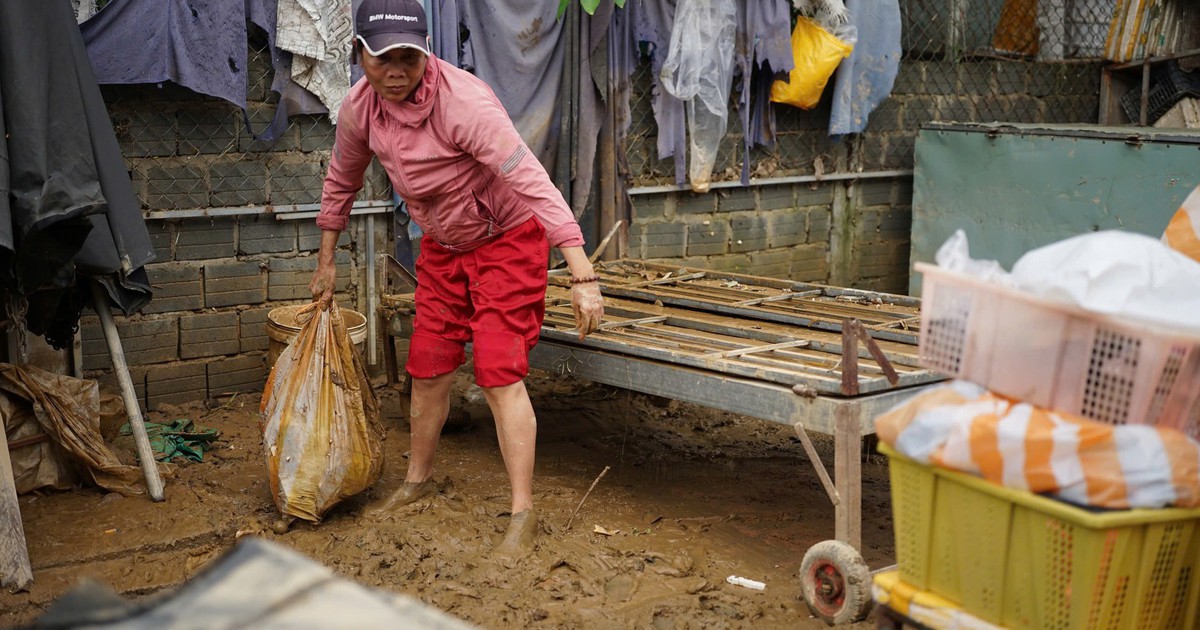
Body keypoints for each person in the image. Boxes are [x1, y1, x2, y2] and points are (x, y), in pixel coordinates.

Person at [308, 0, 604, 557]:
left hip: (507, 242)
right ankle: (417, 480)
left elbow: (528, 176)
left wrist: (579, 270)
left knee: (496, 372)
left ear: (426, 52)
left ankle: (522, 512)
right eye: (381, 59)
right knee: (428, 366)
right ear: (359, 55)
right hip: (443, 247)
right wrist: (326, 260)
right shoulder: (359, 109)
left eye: (408, 59)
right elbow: (340, 181)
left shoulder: (463, 101)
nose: (395, 72)